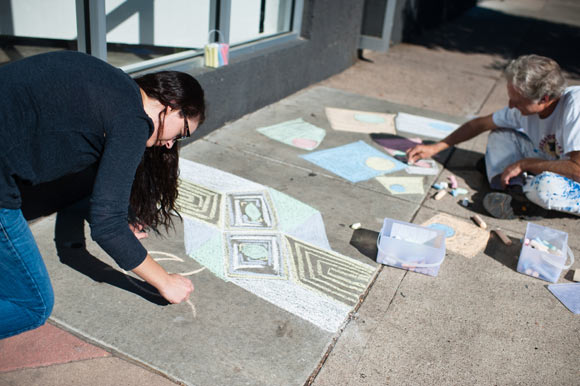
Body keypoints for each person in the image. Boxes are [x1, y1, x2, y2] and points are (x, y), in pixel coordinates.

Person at [0, 51, 205, 339]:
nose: (171, 145)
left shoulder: (113, 84)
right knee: (32, 305)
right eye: (182, 132)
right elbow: (107, 227)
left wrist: (121, 215)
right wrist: (165, 281)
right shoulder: (132, 121)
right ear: (171, 107)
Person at [407, 54, 580, 218]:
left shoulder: (575, 107)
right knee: (500, 133)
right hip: (554, 160)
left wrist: (524, 164)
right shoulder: (525, 108)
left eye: (517, 101)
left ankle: (522, 202)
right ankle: (514, 189)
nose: (511, 105)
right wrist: (437, 147)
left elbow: (577, 169)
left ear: (544, 99)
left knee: (546, 186)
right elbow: (480, 124)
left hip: (575, 178)